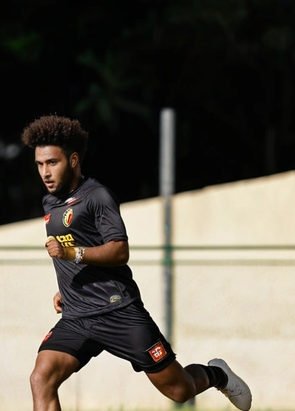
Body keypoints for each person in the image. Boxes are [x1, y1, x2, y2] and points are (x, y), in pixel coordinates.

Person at [21, 115, 252, 411]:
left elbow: (119, 251)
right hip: (77, 316)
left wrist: (72, 254)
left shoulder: (98, 197)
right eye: (40, 164)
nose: (45, 172)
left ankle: (217, 374)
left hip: (119, 311)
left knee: (179, 390)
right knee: (41, 378)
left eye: (52, 162)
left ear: (74, 160)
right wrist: (66, 288)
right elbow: (73, 248)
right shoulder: (50, 204)